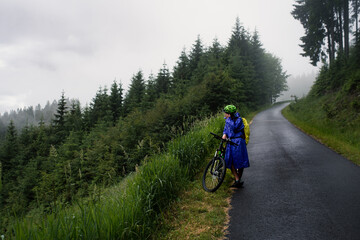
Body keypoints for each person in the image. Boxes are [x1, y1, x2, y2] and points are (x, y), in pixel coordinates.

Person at [222, 105, 250, 188]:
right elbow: (226, 130)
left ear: (229, 114)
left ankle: (238, 179)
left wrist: (228, 120)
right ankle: (237, 178)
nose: (224, 114)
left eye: (226, 113)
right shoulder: (228, 120)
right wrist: (224, 135)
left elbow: (234, 128)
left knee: (240, 161)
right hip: (231, 142)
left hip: (238, 142)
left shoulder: (239, 120)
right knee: (230, 160)